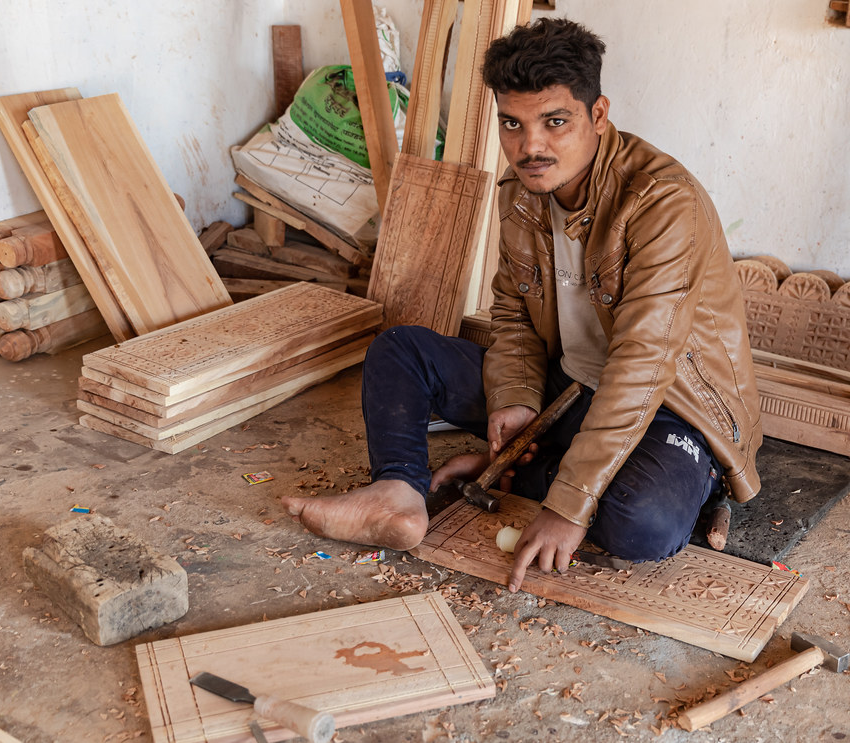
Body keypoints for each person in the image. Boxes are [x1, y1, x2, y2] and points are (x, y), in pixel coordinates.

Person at [282, 18, 762, 593]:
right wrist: (513, 400)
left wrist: (565, 506)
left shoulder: (663, 204)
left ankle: (607, 474)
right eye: (513, 124)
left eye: (555, 122)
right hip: (569, 387)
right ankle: (399, 492)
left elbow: (643, 365)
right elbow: (512, 319)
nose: (530, 146)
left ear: (599, 115)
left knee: (642, 526)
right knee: (400, 350)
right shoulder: (522, 195)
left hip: (669, 403)